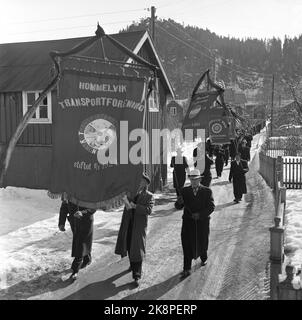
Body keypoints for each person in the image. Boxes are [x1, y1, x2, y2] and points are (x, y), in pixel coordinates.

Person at [115, 172, 155, 286]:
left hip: (139, 226)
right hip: (128, 224)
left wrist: (136, 206)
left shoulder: (149, 195)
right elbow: (127, 208)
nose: (139, 182)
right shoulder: (130, 193)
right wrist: (126, 202)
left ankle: (137, 275)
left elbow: (148, 210)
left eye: (142, 180)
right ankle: (132, 266)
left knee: (137, 249)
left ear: (146, 183)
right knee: (128, 245)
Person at [180, 168, 215, 278]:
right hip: (188, 223)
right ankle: (186, 268)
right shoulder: (184, 191)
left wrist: (200, 215)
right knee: (187, 244)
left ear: (199, 179)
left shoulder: (207, 191)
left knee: (202, 242)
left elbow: (211, 207)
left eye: (196, 179)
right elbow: (178, 206)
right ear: (190, 180)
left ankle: (203, 258)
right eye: (192, 179)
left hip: (202, 223)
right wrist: (178, 202)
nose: (194, 181)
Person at [58, 197, 96, 280]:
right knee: (82, 242)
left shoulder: (87, 189)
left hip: (86, 222)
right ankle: (87, 259)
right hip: (74, 223)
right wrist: (61, 223)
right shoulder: (67, 191)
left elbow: (93, 207)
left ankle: (75, 270)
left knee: (80, 244)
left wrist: (83, 212)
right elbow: (64, 207)